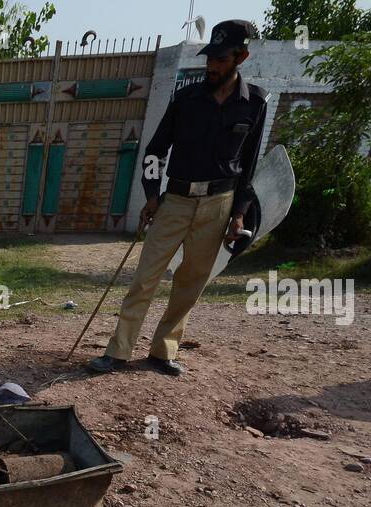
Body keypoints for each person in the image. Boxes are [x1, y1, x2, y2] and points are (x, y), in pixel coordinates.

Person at [87, 19, 268, 377]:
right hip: (176, 201)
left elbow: (249, 165)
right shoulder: (186, 100)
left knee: (191, 281)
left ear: (240, 57)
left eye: (220, 58)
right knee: (145, 277)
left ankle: (163, 350)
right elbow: (155, 152)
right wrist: (152, 196)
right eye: (209, 58)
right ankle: (118, 351)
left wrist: (239, 215)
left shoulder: (255, 104)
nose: (212, 65)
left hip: (219, 203)